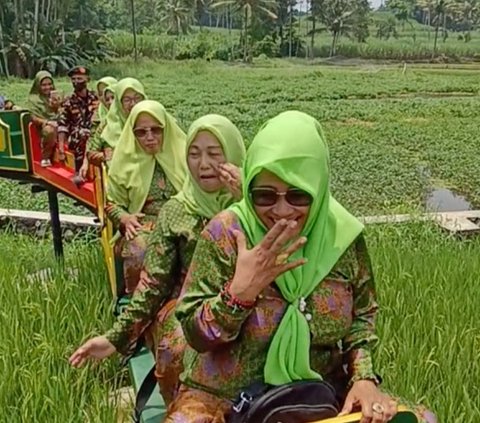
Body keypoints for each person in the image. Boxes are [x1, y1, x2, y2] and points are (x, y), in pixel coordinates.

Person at [167, 111, 437, 423]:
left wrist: (363, 378)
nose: (281, 210)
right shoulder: (227, 234)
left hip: (316, 391)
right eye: (264, 195)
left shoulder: (341, 238)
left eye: (298, 195)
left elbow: (362, 318)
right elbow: (193, 335)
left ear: (319, 189)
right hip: (226, 396)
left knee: (422, 419)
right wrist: (238, 293)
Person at [69, 114, 245, 406]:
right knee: (179, 349)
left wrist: (245, 200)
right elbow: (153, 283)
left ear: (235, 157)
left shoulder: (259, 206)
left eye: (214, 154)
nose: (203, 164)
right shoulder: (177, 211)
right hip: (189, 304)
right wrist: (114, 338)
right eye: (194, 153)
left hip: (248, 302)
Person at [105, 100, 188, 295]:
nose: (149, 137)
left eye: (156, 130)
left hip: (182, 221)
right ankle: (138, 305)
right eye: (141, 132)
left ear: (166, 129)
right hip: (144, 223)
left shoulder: (183, 155)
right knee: (138, 249)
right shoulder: (124, 162)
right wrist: (124, 218)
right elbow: (110, 204)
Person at [85, 77, 146, 170]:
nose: (133, 103)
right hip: (117, 177)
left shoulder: (152, 119)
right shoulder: (107, 124)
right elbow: (91, 153)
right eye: (127, 100)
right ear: (119, 102)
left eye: (137, 98)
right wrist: (105, 156)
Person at [57, 66, 98, 181]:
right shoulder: (68, 101)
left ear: (87, 80)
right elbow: (62, 125)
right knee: (83, 134)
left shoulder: (95, 97)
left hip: (95, 132)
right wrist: (61, 148)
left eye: (79, 79)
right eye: (73, 79)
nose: (76, 82)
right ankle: (79, 170)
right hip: (76, 136)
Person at [26, 71, 61, 167]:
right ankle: (45, 157)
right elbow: (33, 117)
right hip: (42, 127)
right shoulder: (33, 99)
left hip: (59, 123)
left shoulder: (55, 96)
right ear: (38, 85)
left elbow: (62, 113)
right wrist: (48, 122)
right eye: (44, 85)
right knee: (49, 130)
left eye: (50, 84)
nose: (47, 87)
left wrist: (57, 106)